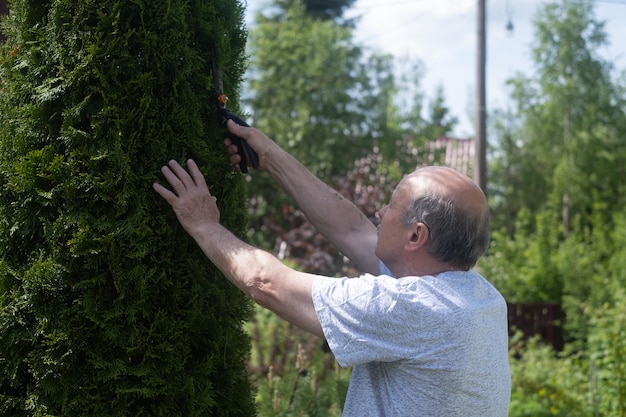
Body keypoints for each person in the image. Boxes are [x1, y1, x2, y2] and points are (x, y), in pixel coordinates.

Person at [153, 120, 511, 416]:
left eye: (391, 207)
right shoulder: (479, 298)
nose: (380, 214)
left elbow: (266, 282)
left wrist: (203, 224)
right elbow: (351, 229)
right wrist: (271, 157)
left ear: (416, 236)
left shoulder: (411, 309)